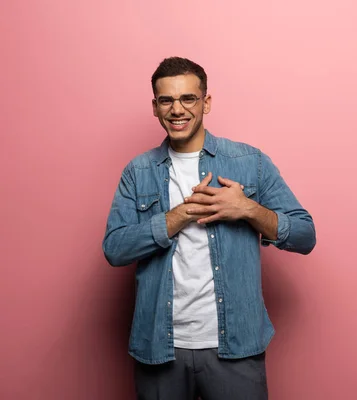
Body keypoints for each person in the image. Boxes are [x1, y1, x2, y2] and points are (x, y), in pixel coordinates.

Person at [102, 56, 316, 400]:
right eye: (167, 100)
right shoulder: (138, 171)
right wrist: (179, 216)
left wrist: (247, 208)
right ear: (155, 107)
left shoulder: (249, 162)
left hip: (235, 346)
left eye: (188, 98)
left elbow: (305, 235)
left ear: (206, 102)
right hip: (160, 347)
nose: (177, 110)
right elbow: (115, 249)